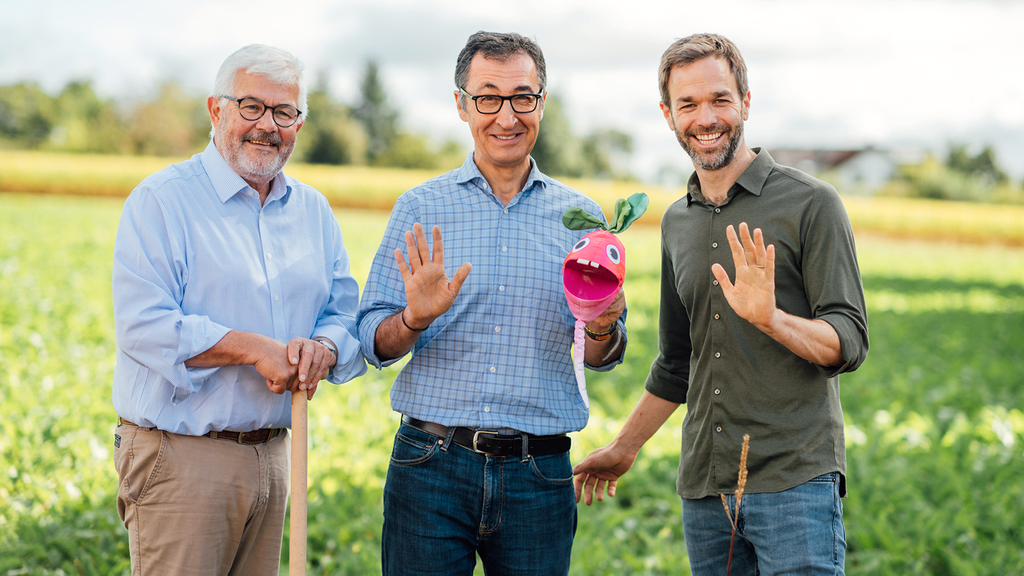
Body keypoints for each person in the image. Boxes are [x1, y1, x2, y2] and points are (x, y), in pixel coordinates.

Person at [572, 33, 869, 575]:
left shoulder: (811, 204)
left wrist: (771, 318)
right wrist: (624, 447)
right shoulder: (676, 223)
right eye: (688, 104)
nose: (705, 118)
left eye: (720, 100)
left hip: (794, 484)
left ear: (746, 102)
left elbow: (848, 342)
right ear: (668, 115)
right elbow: (676, 362)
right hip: (706, 491)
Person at [357, 31, 628, 576]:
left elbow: (604, 354)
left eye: (522, 97)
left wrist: (602, 326)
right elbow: (372, 340)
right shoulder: (420, 207)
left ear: (541, 104)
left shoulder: (582, 218)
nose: (507, 116)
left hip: (540, 475)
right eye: (488, 97)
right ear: (462, 104)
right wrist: (414, 319)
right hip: (429, 467)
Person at [111, 43, 366, 575]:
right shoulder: (162, 201)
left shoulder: (314, 212)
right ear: (216, 109)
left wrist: (321, 348)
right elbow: (145, 327)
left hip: (274, 454)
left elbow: (343, 313)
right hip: (182, 457)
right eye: (251, 106)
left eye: (284, 112)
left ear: (299, 122)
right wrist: (254, 350)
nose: (267, 125)